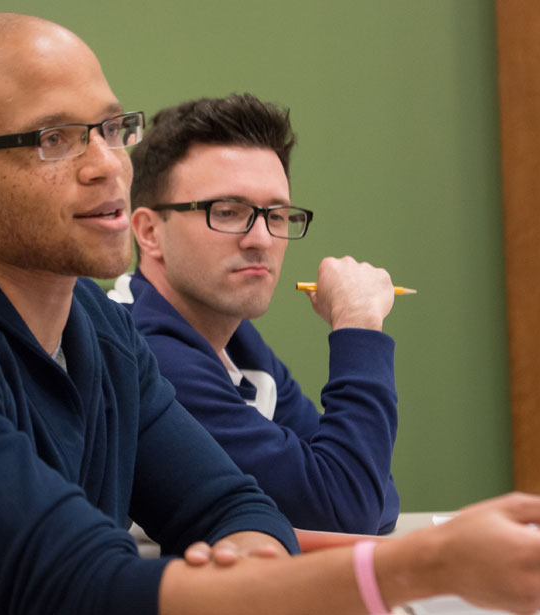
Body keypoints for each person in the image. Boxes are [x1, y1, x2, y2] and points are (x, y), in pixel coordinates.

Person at [0, 13, 540, 615]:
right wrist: (425, 565)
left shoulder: (98, 328)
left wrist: (250, 572)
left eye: (112, 128)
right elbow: (81, 591)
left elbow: (234, 506)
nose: (106, 165)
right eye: (51, 139)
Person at [115, 93, 399, 534]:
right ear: (149, 233)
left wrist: (351, 492)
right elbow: (348, 508)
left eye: (278, 214)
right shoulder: (144, 350)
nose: (262, 239)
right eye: (228, 212)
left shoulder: (239, 346)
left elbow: (368, 489)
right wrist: (358, 325)